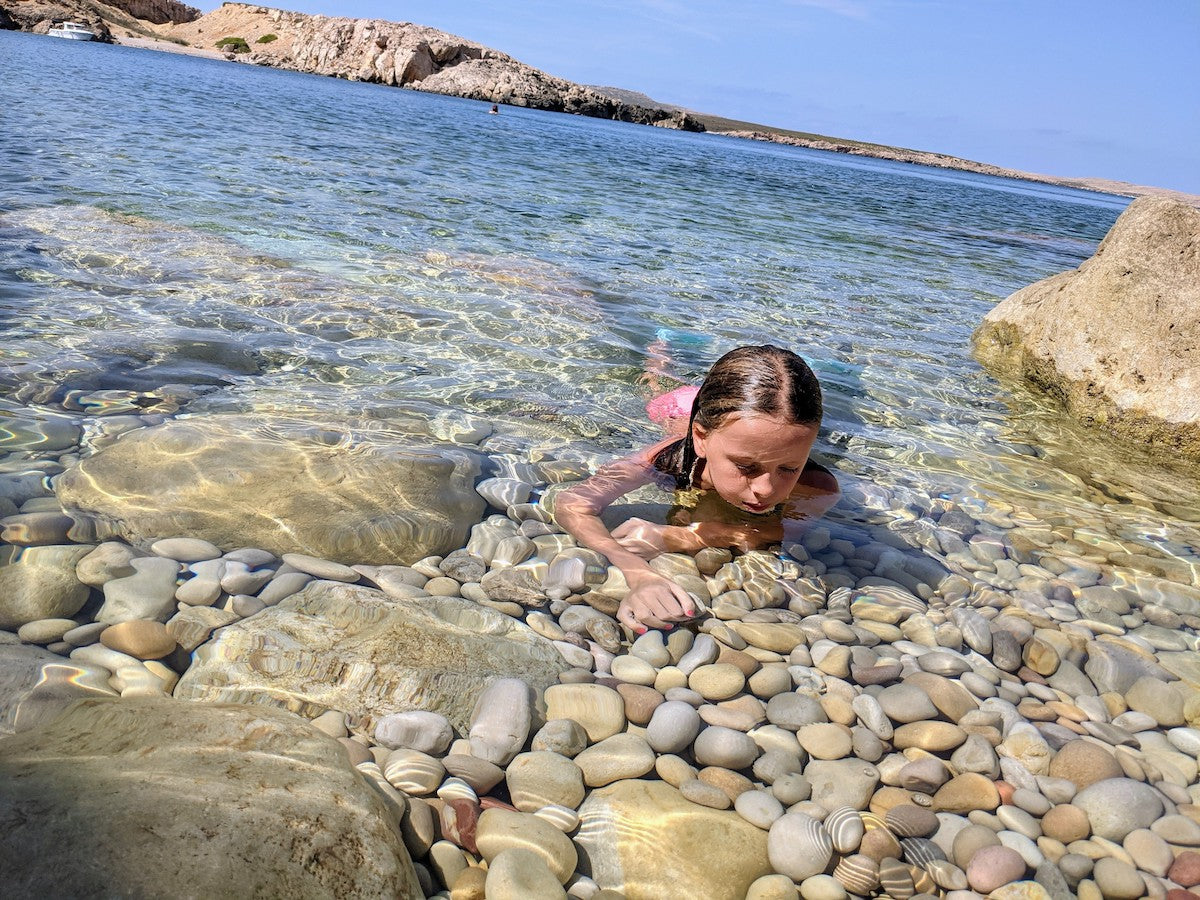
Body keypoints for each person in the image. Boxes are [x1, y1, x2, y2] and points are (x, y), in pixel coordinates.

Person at [555, 344, 839, 634]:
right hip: (676, 407)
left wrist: (685, 536)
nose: (766, 490)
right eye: (746, 467)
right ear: (701, 439)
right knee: (657, 382)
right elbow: (571, 504)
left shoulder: (817, 486)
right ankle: (660, 353)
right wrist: (636, 571)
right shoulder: (664, 460)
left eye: (789, 468)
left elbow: (783, 531)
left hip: (740, 416)